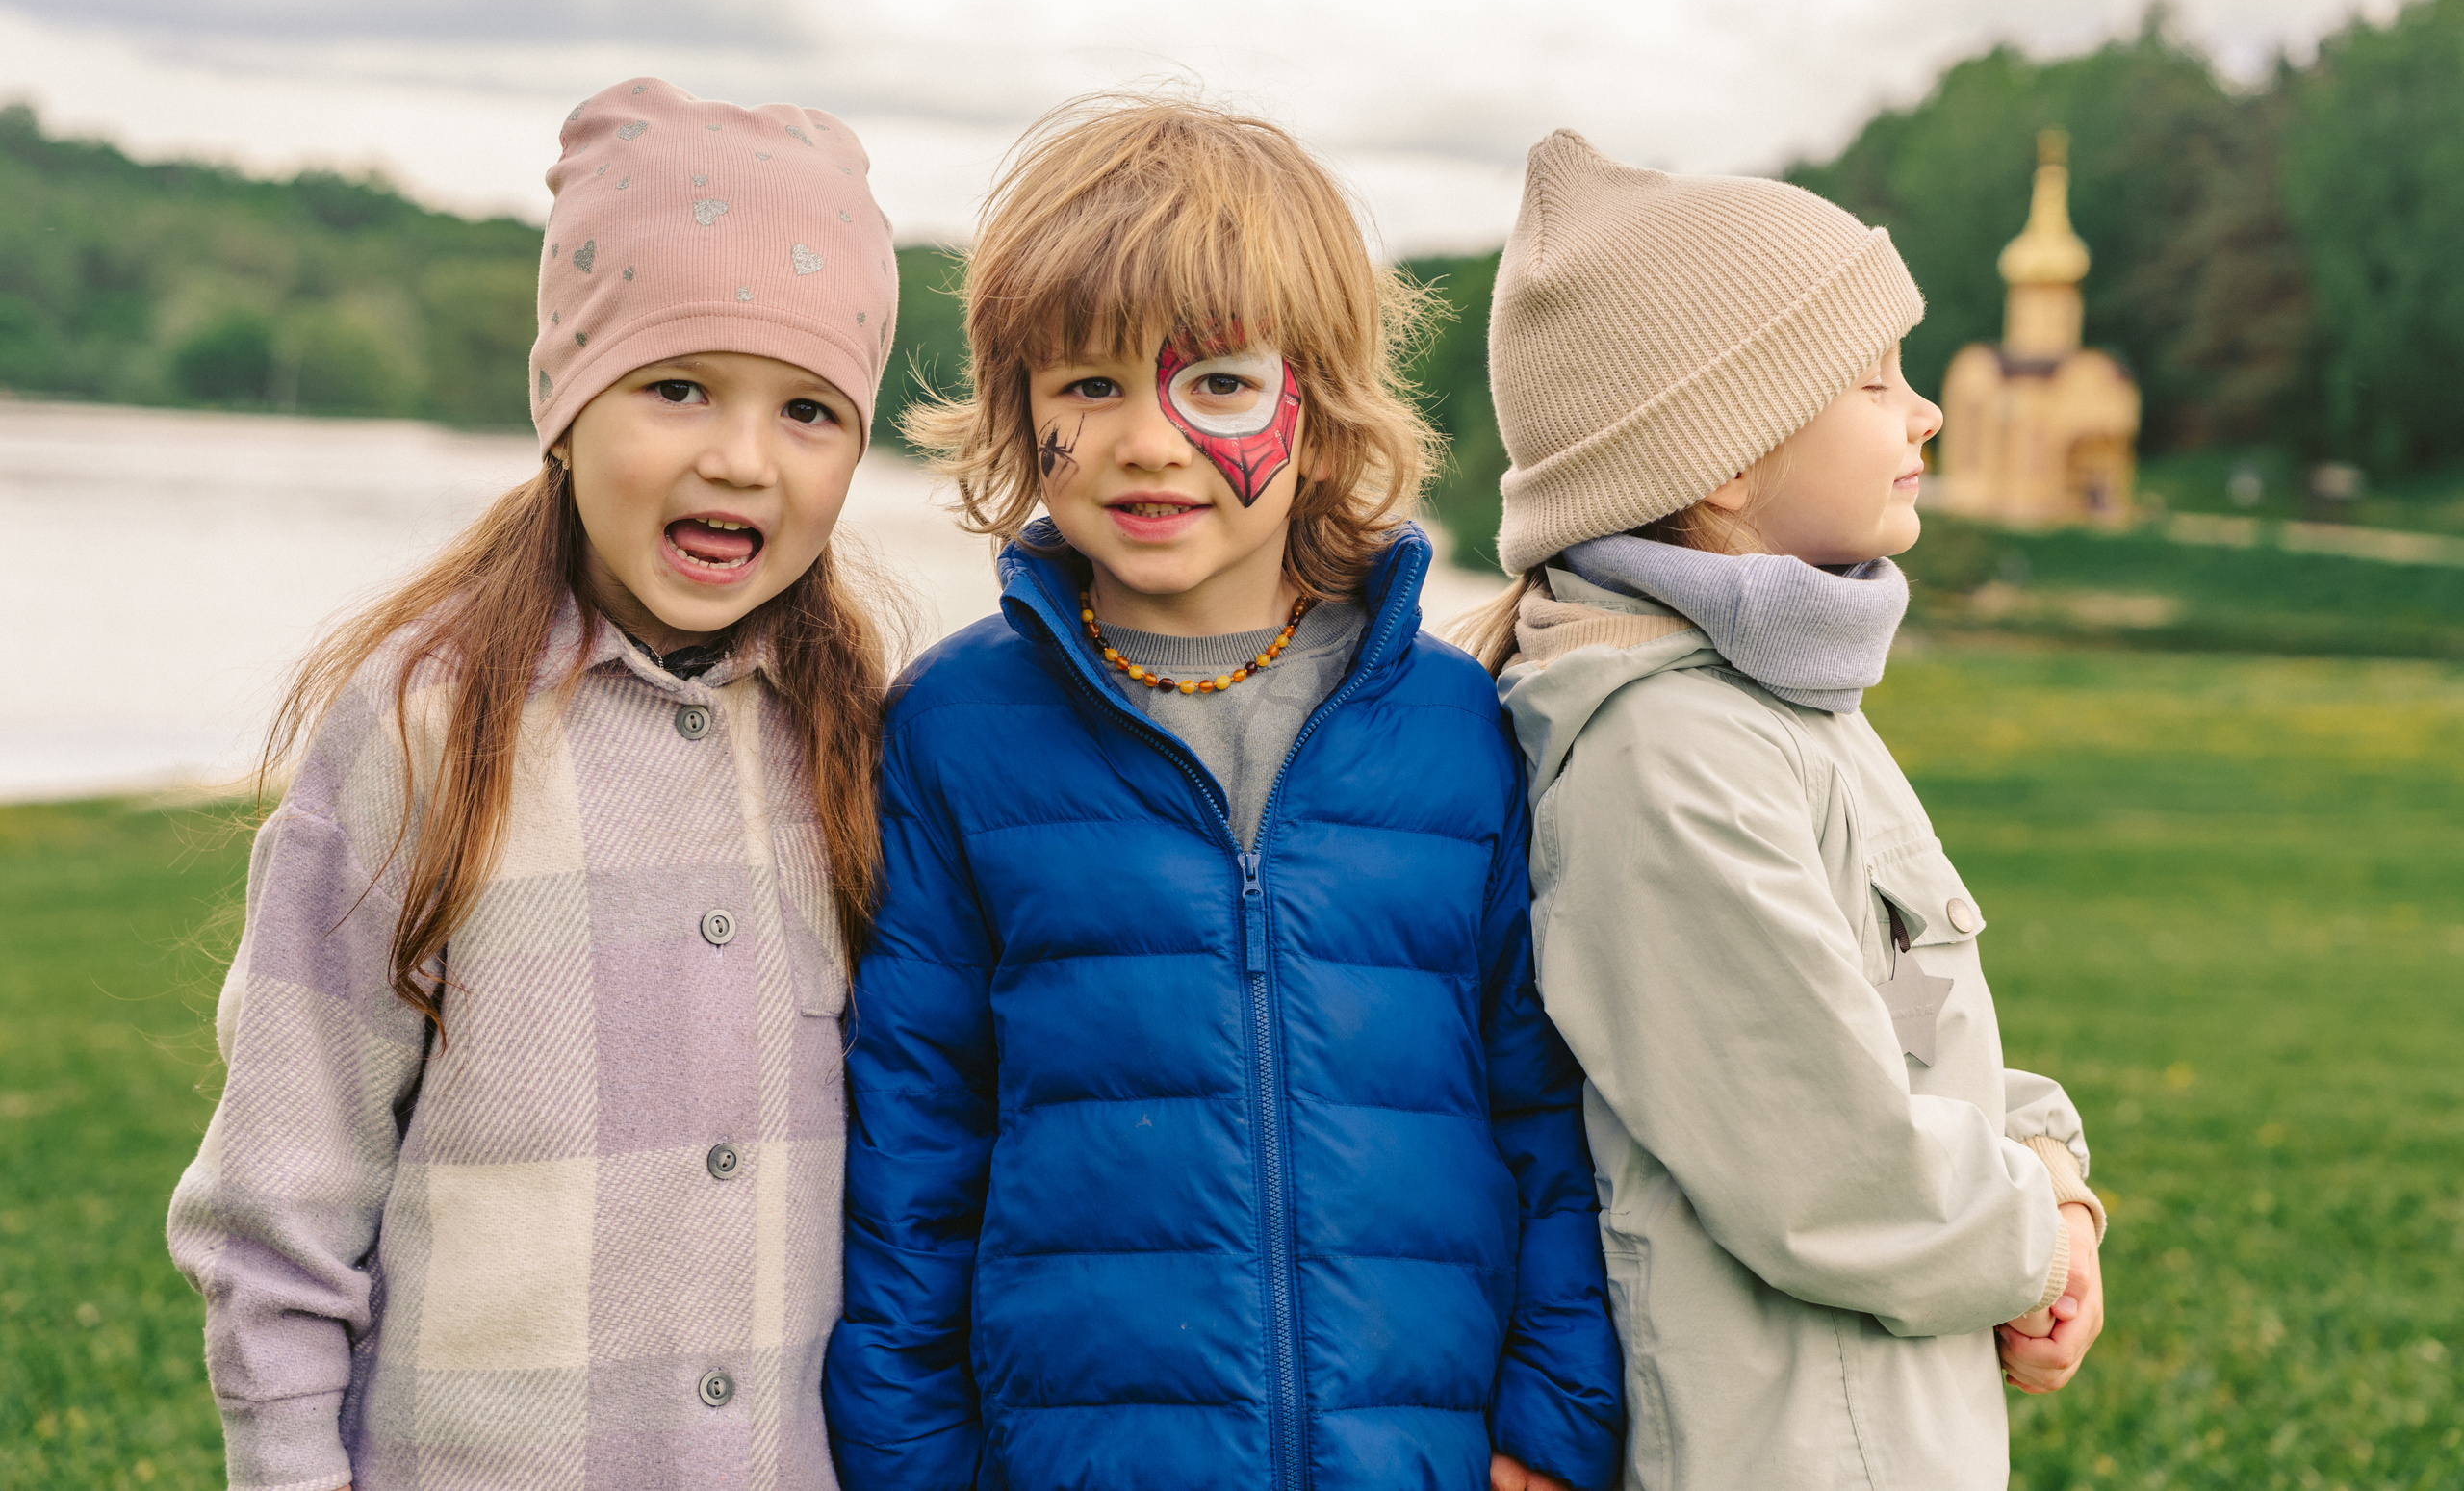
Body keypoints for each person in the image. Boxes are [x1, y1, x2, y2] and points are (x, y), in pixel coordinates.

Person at [822, 96, 1624, 1491]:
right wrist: (909, 1461)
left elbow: (1543, 1109)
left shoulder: (1456, 728)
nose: (1147, 441)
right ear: (1018, 409)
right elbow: (914, 1144)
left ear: (1317, 406)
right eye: (1088, 385)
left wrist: (1555, 1421)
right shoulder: (953, 734)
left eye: (1218, 384)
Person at [167, 77, 909, 1491]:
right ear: (566, 409)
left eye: (809, 410)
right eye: (677, 386)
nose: (740, 458)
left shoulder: (861, 746)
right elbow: (278, 1215)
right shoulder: (416, 735)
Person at [1457, 131, 2109, 1490]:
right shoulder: (1667, 752)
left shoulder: (1783, 705)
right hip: (1793, 1445)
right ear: (1722, 463)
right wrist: (2033, 1231)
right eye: (1873, 380)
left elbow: (1896, 1030)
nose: (1924, 412)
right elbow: (1829, 1170)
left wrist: (2051, 1162)